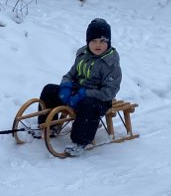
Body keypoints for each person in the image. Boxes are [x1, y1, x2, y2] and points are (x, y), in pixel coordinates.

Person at [38, 18, 122, 156]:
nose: (97, 45)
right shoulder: (82, 55)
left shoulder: (110, 64)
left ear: (108, 42)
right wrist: (66, 86)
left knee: (89, 106)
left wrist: (86, 94)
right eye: (93, 41)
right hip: (76, 92)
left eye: (102, 41)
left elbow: (109, 92)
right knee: (49, 90)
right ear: (88, 42)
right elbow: (71, 74)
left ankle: (80, 141)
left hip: (98, 100)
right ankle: (49, 127)